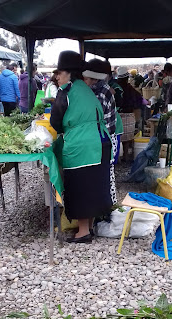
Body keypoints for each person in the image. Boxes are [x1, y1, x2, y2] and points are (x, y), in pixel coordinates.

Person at [50, 50, 112, 243]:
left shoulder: (66, 91)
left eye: (59, 73)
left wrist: (63, 130)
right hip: (101, 141)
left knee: (80, 184)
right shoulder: (85, 88)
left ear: (68, 73)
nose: (56, 77)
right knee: (94, 184)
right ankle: (89, 227)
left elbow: (56, 121)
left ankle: (83, 232)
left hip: (82, 144)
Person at [83, 58, 117, 204]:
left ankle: (106, 209)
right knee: (105, 176)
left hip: (104, 139)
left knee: (104, 176)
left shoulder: (102, 91)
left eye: (89, 78)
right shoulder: (99, 89)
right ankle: (104, 207)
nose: (87, 81)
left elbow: (96, 119)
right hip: (103, 139)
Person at [117, 66, 143, 163]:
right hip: (128, 114)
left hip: (118, 114)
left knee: (118, 136)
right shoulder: (130, 88)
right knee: (127, 138)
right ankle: (126, 155)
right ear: (126, 78)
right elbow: (138, 98)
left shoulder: (115, 87)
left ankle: (118, 156)